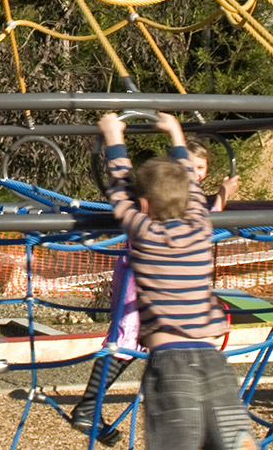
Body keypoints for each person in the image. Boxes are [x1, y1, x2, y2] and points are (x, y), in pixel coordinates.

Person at [96, 112, 257, 450]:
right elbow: (192, 186)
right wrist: (175, 133)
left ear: (143, 204)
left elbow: (119, 187)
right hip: (212, 358)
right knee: (229, 439)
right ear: (189, 199)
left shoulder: (144, 232)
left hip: (170, 362)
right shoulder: (201, 227)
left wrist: (113, 136)